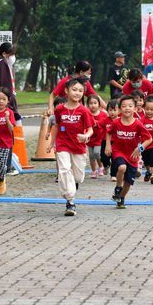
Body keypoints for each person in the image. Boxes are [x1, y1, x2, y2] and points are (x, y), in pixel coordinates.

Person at [47, 79, 95, 216]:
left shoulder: (84, 111)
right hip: (62, 144)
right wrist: (52, 143)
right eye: (74, 90)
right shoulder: (59, 109)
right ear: (66, 91)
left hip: (79, 147)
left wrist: (86, 136)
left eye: (80, 91)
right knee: (64, 169)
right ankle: (70, 201)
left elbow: (90, 130)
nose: (77, 93)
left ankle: (73, 185)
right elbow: (56, 126)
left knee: (78, 177)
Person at [106, 95, 152, 208]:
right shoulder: (116, 122)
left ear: (135, 109)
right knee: (122, 167)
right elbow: (108, 132)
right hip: (119, 151)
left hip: (133, 155)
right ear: (120, 109)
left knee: (128, 183)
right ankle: (117, 188)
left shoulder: (138, 124)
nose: (127, 108)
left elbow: (149, 139)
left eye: (130, 106)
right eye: (124, 106)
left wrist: (139, 148)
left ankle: (121, 198)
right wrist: (108, 145)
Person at [86, 94, 108, 179]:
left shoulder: (103, 114)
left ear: (99, 104)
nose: (93, 105)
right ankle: (93, 171)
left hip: (100, 138)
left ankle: (101, 166)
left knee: (97, 153)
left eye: (95, 103)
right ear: (88, 105)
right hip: (90, 138)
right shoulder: (87, 113)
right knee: (91, 156)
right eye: (91, 103)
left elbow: (106, 125)